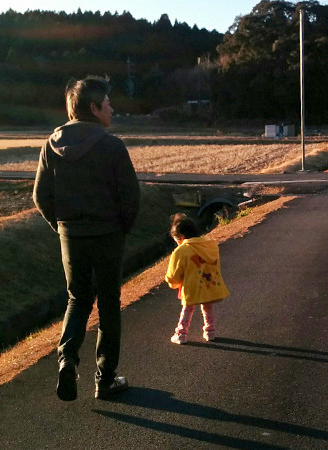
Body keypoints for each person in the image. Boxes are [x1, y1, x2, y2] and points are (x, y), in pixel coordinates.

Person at [33, 75, 141, 401]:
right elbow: (130, 197)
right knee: (109, 304)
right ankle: (104, 379)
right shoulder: (112, 146)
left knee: (77, 299)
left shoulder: (51, 145)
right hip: (108, 235)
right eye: (108, 103)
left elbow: (41, 195)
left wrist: (61, 225)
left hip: (70, 234)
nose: (112, 108)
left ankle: (67, 359)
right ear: (94, 108)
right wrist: (122, 227)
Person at [165, 213, 229, 344]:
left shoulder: (182, 250)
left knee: (187, 309)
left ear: (181, 237)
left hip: (192, 286)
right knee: (207, 307)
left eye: (176, 241)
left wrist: (172, 282)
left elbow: (174, 274)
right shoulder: (210, 245)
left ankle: (181, 334)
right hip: (210, 283)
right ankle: (210, 332)